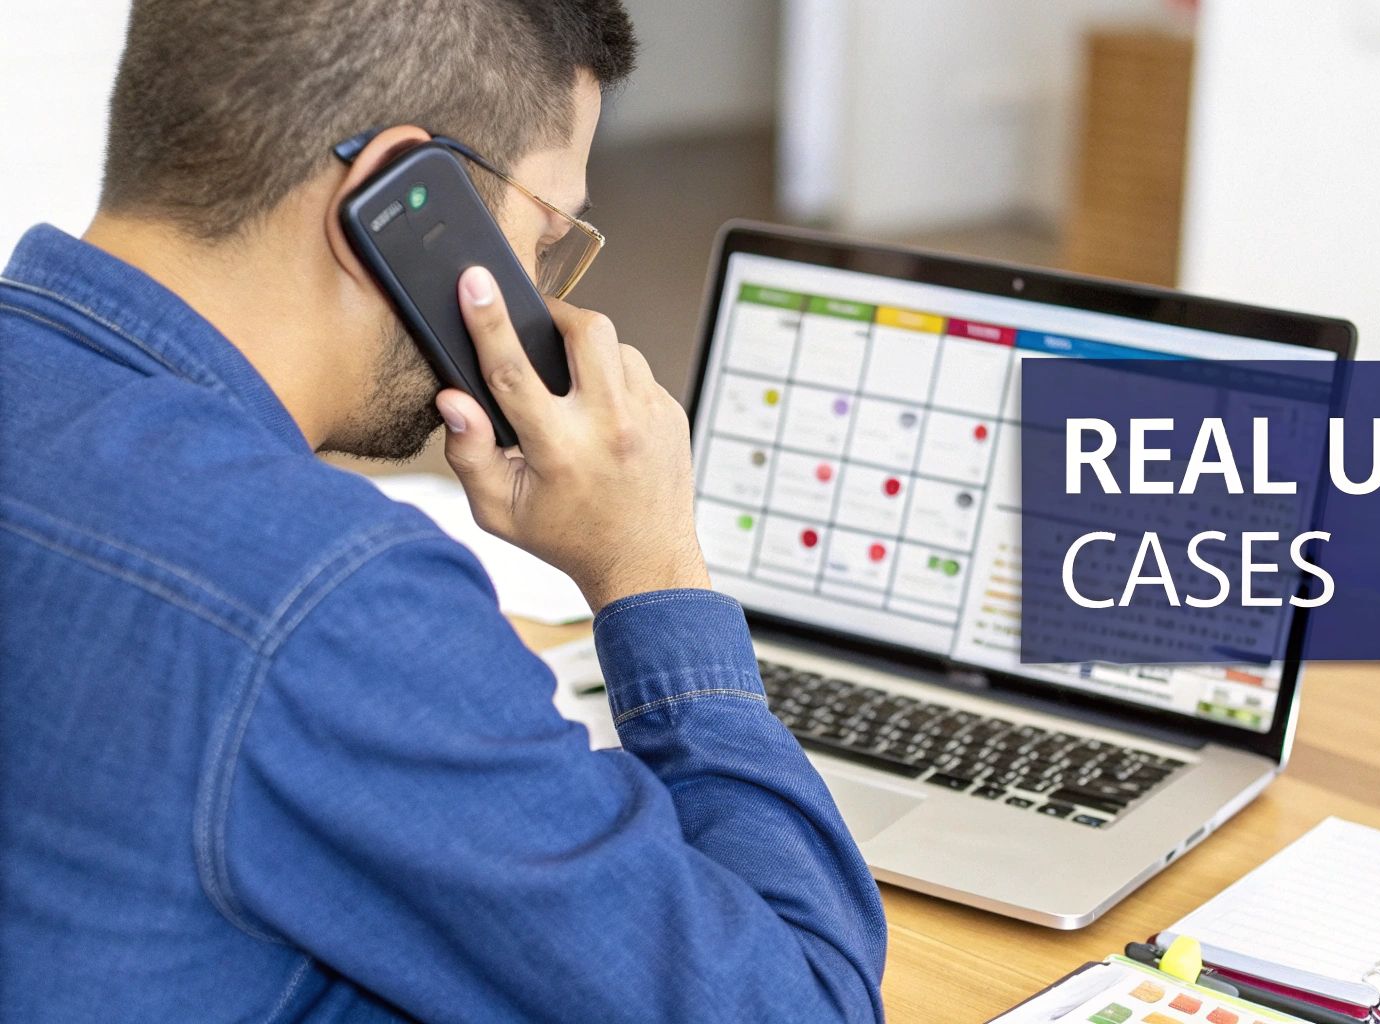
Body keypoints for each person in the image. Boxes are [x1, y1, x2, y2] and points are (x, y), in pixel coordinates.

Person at [0, 1, 886, 1020]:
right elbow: (804, 1007)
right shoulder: (324, 593)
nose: (541, 292)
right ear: (398, 198)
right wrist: (652, 566)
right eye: (542, 236)